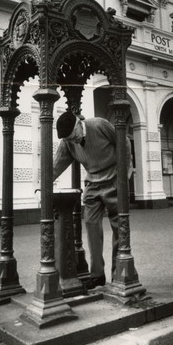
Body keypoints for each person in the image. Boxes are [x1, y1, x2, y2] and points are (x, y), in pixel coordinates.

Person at [53, 110, 132, 290]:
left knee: (120, 228)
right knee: (91, 226)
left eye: (74, 136)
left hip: (114, 180)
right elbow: (56, 164)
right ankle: (97, 275)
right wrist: (39, 186)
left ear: (79, 125)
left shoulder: (99, 124)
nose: (73, 142)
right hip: (93, 185)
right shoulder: (68, 141)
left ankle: (118, 273)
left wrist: (125, 174)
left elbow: (124, 142)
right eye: (68, 140)